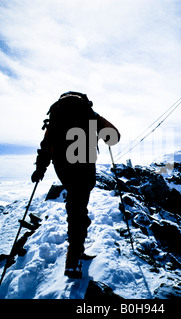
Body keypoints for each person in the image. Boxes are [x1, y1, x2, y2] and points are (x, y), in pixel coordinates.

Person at [31, 91, 120, 278]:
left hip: (63, 167)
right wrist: (96, 119)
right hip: (85, 163)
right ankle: (73, 258)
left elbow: (46, 145)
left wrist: (40, 169)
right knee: (78, 209)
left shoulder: (57, 116)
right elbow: (113, 137)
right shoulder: (89, 114)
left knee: (75, 205)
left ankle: (76, 250)